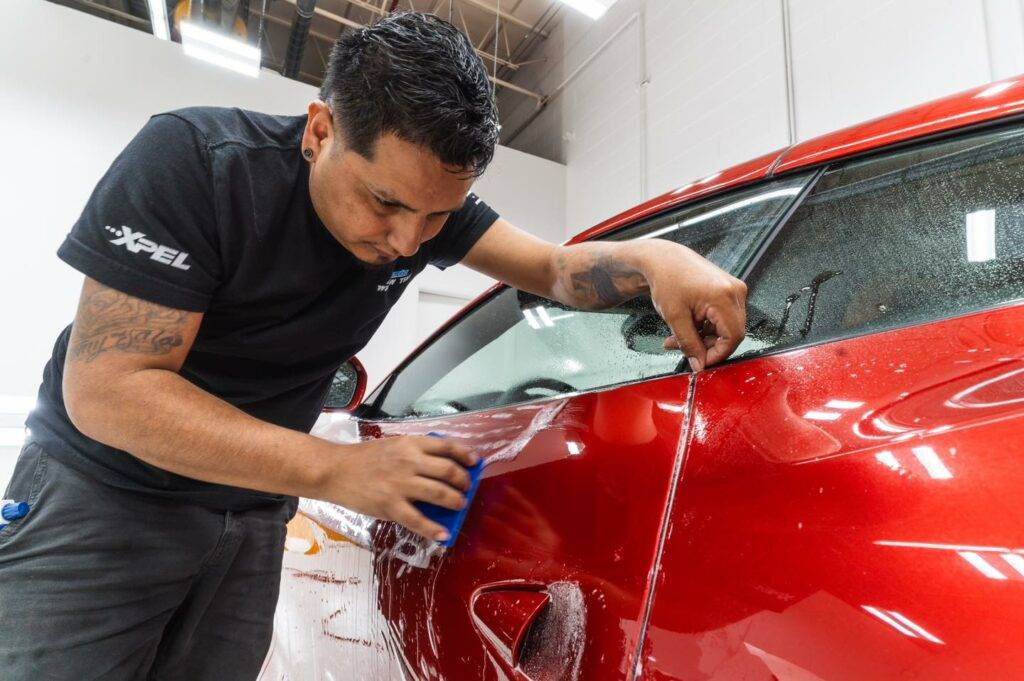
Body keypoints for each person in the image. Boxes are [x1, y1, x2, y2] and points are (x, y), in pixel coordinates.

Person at [0, 11, 746, 680]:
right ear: (320, 130)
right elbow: (108, 390)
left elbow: (551, 268)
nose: (405, 240)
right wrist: (336, 468)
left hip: (250, 523)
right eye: (385, 202)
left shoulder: (422, 211)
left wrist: (656, 259)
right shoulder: (196, 164)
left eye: (435, 216)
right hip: (102, 502)